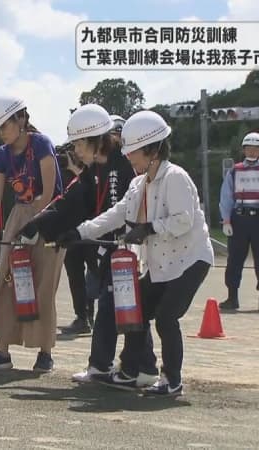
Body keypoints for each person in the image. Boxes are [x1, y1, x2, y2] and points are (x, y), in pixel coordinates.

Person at [59, 110, 214, 397]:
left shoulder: (175, 177)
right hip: (161, 264)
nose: (128, 157)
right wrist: (80, 233)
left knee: (167, 318)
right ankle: (132, 372)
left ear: (153, 149)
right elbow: (114, 216)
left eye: (134, 152)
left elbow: (183, 220)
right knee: (136, 310)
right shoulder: (138, 183)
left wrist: (149, 228)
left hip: (191, 259)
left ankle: (171, 381)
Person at [51, 104, 158, 389]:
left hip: (129, 250)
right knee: (113, 306)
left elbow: (124, 210)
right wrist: (52, 227)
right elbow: (73, 200)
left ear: (94, 139)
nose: (76, 150)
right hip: (110, 248)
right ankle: (107, 365)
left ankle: (141, 367)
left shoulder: (122, 164)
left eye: (78, 143)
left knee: (124, 306)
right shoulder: (96, 168)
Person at [0, 95, 63, 372]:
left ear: (22, 119)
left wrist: (37, 224)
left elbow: (50, 194)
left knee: (43, 283)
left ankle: (45, 353)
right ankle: (2, 350)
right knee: (8, 280)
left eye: (5, 125)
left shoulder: (41, 144)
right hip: (19, 216)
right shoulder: (2, 154)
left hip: (49, 216)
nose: (1, 132)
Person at [218, 132, 259, 312]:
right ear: (244, 149)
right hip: (239, 218)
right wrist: (226, 221)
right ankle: (232, 298)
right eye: (249, 148)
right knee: (234, 260)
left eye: (256, 148)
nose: (252, 151)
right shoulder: (235, 170)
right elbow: (226, 196)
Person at [57, 148, 99, 334]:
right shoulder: (61, 175)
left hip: (90, 232)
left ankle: (105, 314)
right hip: (69, 232)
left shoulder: (93, 171)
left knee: (98, 272)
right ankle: (83, 317)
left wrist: (77, 170)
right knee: (75, 278)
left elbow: (91, 197)